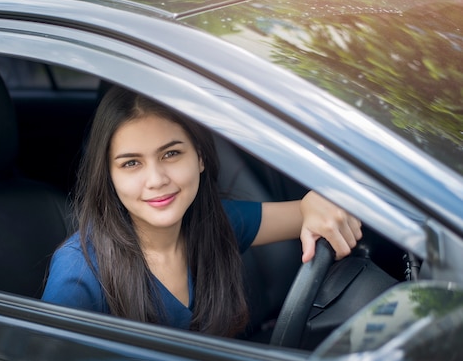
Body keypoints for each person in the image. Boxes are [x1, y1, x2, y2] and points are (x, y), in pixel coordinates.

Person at [42, 86, 362, 337]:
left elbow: (305, 213)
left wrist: (317, 202)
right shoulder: (80, 272)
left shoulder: (211, 223)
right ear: (109, 176)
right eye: (131, 163)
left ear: (200, 158)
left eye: (171, 154)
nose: (156, 180)